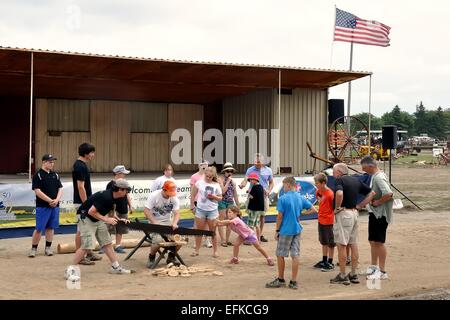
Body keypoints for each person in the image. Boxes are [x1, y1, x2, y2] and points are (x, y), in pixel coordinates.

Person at [65, 179, 134, 278]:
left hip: (97, 217)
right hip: (85, 217)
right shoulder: (105, 197)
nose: (127, 193)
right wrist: (106, 219)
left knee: (107, 242)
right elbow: (91, 211)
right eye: (126, 190)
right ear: (119, 189)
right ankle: (70, 271)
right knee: (87, 245)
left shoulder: (116, 197)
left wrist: (120, 220)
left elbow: (111, 212)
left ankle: (115, 267)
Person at [265, 177, 317, 290]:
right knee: (295, 255)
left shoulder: (283, 198)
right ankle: (293, 281)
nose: (284, 188)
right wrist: (301, 214)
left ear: (288, 185)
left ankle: (281, 279)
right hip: (297, 229)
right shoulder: (300, 197)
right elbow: (313, 209)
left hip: (285, 230)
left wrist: (277, 230)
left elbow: (280, 216)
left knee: (280, 254)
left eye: (284, 186)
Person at [330, 163, 372, 285]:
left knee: (341, 245)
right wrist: (360, 205)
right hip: (354, 213)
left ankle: (343, 275)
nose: (333, 175)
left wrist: (337, 207)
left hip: (344, 214)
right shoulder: (356, 180)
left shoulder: (339, 180)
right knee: (353, 244)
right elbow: (371, 193)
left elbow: (339, 193)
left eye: (334, 172)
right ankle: (353, 273)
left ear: (339, 172)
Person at [357, 156, 394, 280]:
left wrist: (378, 202)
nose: (363, 170)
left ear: (371, 166)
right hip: (374, 214)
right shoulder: (375, 176)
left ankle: (382, 272)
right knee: (372, 241)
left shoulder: (378, 177)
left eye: (364, 167)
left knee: (379, 242)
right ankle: (374, 267)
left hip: (380, 214)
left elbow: (388, 193)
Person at [72, 142, 102, 265]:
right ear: (86, 154)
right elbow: (80, 187)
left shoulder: (82, 165)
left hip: (83, 202)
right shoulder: (80, 166)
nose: (93, 155)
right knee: (81, 230)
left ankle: (89, 253)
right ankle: (80, 257)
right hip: (81, 203)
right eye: (92, 152)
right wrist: (86, 203)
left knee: (88, 229)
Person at [29, 154, 63, 257]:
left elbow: (60, 188)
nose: (52, 164)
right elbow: (37, 191)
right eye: (50, 162)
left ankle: (48, 248)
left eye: (53, 162)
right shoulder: (38, 175)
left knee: (50, 228)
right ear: (44, 162)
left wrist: (56, 200)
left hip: (55, 206)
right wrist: (50, 201)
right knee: (39, 229)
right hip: (43, 206)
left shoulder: (55, 175)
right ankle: (33, 248)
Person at [144, 180, 180, 268]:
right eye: (169, 192)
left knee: (180, 239)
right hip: (154, 222)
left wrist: (174, 223)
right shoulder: (154, 196)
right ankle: (151, 257)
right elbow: (146, 211)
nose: (170, 195)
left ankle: (171, 257)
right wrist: (155, 222)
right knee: (158, 240)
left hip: (168, 222)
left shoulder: (174, 198)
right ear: (164, 190)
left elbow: (177, 213)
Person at [239, 153, 274, 242]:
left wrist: (269, 191)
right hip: (252, 195)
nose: (256, 164)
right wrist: (242, 185)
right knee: (251, 214)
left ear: (262, 162)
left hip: (263, 196)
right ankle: (251, 235)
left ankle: (259, 235)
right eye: (255, 162)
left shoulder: (268, 170)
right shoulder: (250, 170)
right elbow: (245, 180)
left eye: (258, 162)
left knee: (262, 216)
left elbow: (271, 182)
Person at [100, 165, 134, 254]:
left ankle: (118, 245)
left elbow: (127, 194)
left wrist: (130, 205)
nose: (125, 175)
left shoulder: (125, 183)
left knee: (121, 227)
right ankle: (105, 245)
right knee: (109, 227)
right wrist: (112, 211)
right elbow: (109, 197)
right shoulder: (111, 184)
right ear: (118, 174)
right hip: (113, 209)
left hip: (123, 208)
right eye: (123, 173)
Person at [190, 166, 222, 257]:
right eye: (207, 176)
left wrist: (214, 197)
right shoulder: (199, 183)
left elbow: (220, 198)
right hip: (200, 210)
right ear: (204, 174)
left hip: (212, 211)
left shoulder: (216, 185)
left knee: (212, 232)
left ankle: (215, 251)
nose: (208, 178)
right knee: (199, 231)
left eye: (210, 177)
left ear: (213, 176)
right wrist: (192, 206)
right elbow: (192, 194)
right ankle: (197, 250)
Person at [312, 173, 335, 271]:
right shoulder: (318, 192)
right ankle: (324, 260)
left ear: (323, 183)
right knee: (323, 241)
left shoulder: (330, 194)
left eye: (317, 183)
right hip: (321, 219)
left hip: (329, 221)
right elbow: (319, 201)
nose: (315, 185)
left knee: (330, 242)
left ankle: (330, 262)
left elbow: (333, 207)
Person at [190, 160, 212, 248]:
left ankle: (207, 240)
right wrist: (192, 204)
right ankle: (196, 241)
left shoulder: (208, 176)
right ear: (199, 166)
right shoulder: (194, 176)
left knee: (207, 222)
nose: (204, 166)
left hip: (207, 201)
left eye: (206, 165)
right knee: (197, 222)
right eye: (202, 165)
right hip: (197, 201)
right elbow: (192, 191)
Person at [217, 162, 240, 247]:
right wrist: (228, 181)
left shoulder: (233, 181)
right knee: (222, 221)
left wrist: (237, 205)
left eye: (231, 171)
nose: (229, 173)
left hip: (230, 202)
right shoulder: (220, 179)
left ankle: (226, 240)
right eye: (227, 171)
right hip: (222, 201)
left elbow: (235, 194)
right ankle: (223, 240)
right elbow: (223, 191)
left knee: (230, 222)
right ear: (224, 172)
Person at [246, 172, 265, 242]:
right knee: (257, 224)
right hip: (259, 209)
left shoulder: (254, 187)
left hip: (253, 208)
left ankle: (251, 240)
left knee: (250, 225)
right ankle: (258, 239)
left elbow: (251, 197)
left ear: (255, 180)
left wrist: (249, 193)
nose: (250, 181)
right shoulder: (261, 187)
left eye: (251, 180)